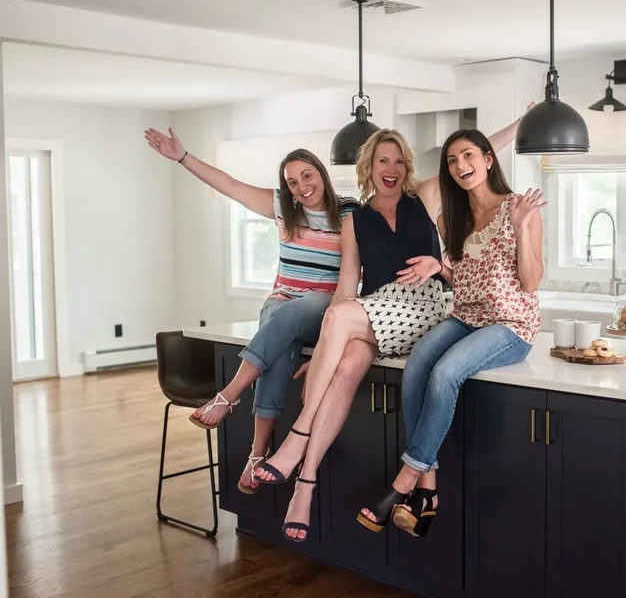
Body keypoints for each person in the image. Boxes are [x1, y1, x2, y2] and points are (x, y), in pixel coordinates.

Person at [252, 113, 529, 543]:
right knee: (345, 366)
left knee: (341, 320)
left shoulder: (425, 197)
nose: (392, 169)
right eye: (383, 160)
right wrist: (326, 348)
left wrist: (524, 121)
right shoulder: (354, 220)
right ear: (370, 166)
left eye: (399, 161)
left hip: (425, 308)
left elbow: (470, 155)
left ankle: (297, 436)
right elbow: (347, 288)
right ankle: (304, 487)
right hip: (378, 313)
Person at [143, 127, 359, 495]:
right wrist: (183, 158)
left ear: (321, 173)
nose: (302, 186)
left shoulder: (350, 212)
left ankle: (229, 394)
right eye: (292, 182)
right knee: (278, 347)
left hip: (327, 306)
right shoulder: (283, 208)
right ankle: (257, 455)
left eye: (307, 175)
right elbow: (229, 185)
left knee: (289, 315)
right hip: (281, 302)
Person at [357, 129, 544, 537]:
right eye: (452, 160)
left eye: (468, 155)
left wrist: (521, 228)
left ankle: (406, 480)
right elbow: (465, 279)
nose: (461, 165)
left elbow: (531, 283)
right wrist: (437, 266)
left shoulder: (519, 209)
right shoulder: (450, 220)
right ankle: (428, 490)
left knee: (446, 373)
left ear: (488, 159)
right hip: (465, 316)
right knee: (416, 367)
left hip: (511, 324)